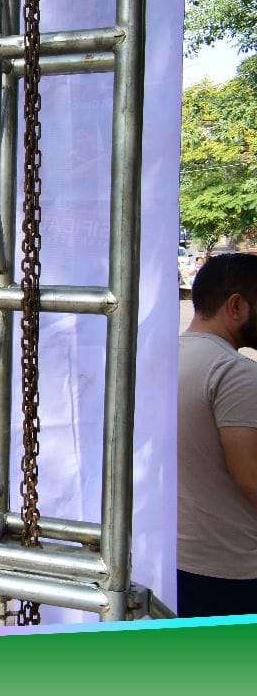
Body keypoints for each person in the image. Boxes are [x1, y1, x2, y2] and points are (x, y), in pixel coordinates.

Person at [177, 253, 257, 617]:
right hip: (230, 566)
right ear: (236, 306)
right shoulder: (234, 372)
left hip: (172, 557)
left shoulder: (162, 356)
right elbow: (251, 478)